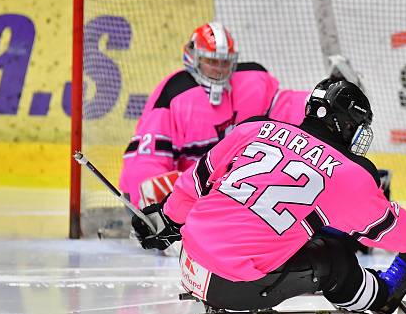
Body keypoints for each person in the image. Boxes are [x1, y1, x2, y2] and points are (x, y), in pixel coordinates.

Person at [130, 78, 406, 314]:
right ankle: (381, 296)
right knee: (335, 255)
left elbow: (195, 183)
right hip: (234, 286)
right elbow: (385, 229)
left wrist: (168, 221)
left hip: (189, 263)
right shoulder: (347, 172)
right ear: (346, 124)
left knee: (298, 229)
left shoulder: (253, 128)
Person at [119, 22, 309, 209]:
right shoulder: (175, 94)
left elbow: (287, 107)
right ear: (194, 57)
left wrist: (318, 101)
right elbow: (146, 158)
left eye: (224, 62)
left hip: (229, 192)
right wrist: (152, 209)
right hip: (186, 194)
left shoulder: (253, 82)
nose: (219, 69)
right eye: (211, 61)